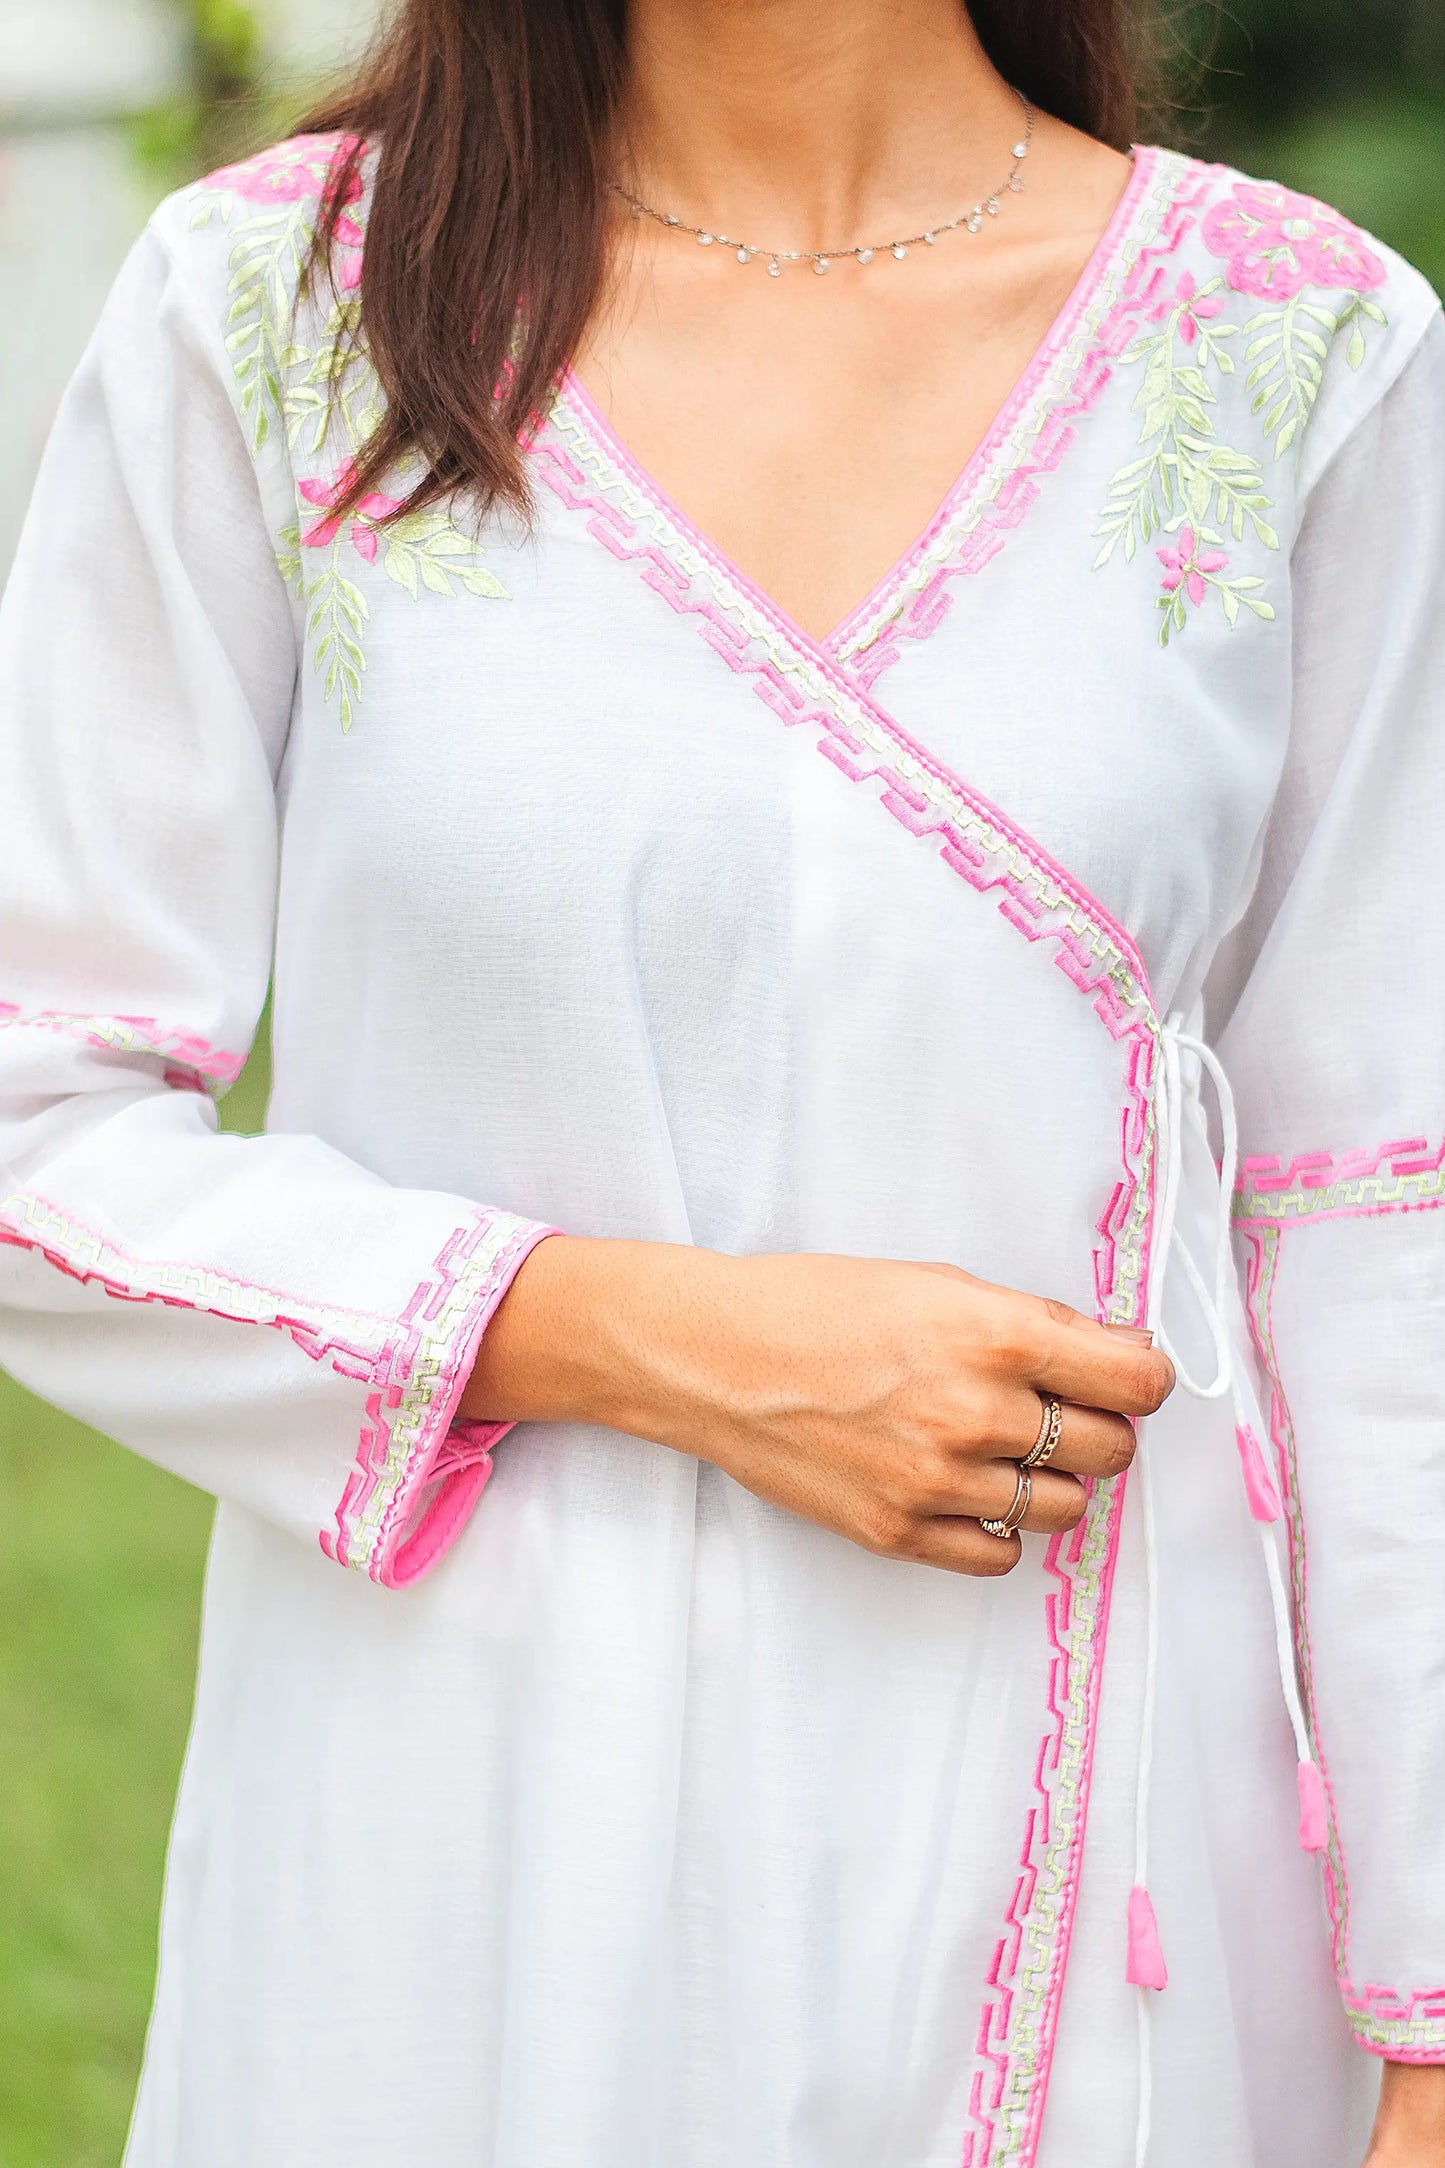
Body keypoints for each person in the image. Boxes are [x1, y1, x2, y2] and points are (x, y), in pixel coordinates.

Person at [1, 0, 1441, 2160]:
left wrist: (1430, 2016)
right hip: (460, 1854)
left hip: (1129, 1889)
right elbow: (39, 1115)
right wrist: (638, 1332)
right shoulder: (281, 315)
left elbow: (1382, 1212)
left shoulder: (1297, 348)